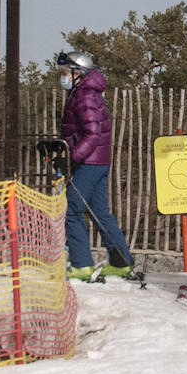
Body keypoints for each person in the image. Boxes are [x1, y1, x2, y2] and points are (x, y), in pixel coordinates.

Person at [56, 50, 134, 281]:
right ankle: (121, 262)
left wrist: (72, 157)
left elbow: (92, 133)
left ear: (78, 72)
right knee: (100, 212)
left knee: (71, 210)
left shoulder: (85, 96)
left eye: (65, 72)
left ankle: (81, 264)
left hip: (89, 162)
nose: (63, 77)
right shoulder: (84, 93)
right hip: (97, 161)